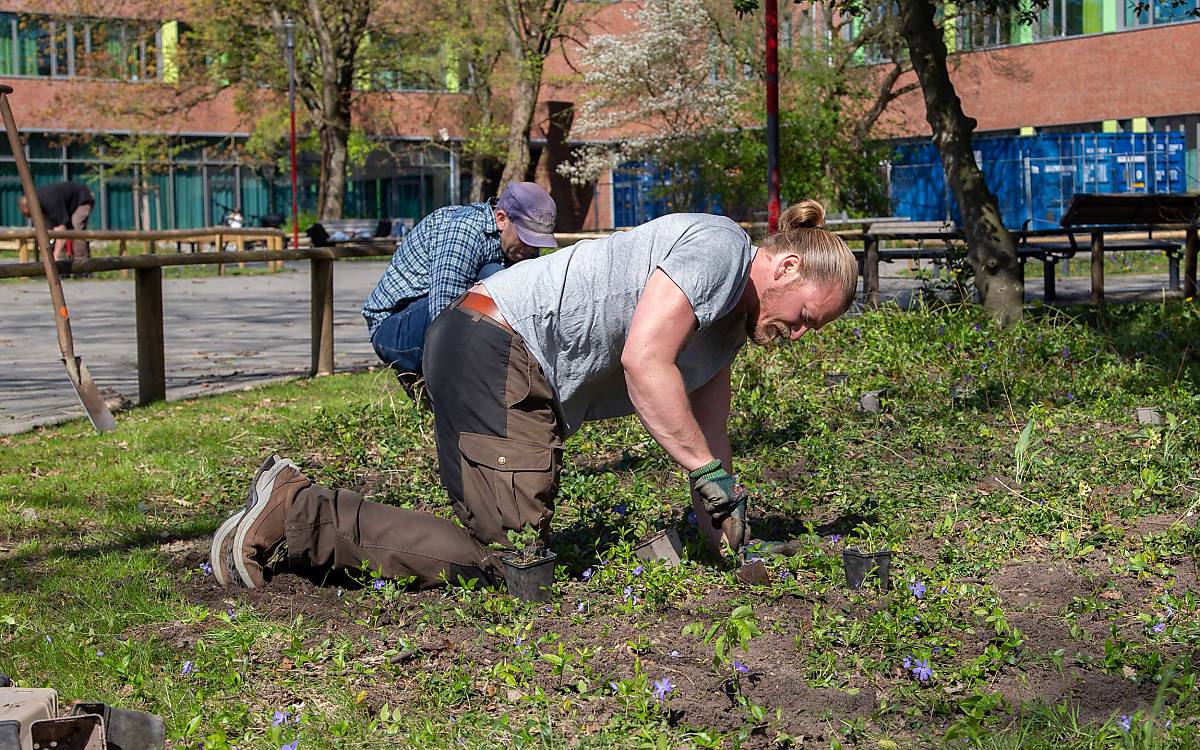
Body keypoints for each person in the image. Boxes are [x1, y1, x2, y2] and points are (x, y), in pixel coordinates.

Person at [208, 200, 858, 591]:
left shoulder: (724, 330)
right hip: (490, 346)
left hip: (514, 369)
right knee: (513, 563)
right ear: (787, 266)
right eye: (804, 316)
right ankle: (299, 515)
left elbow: (707, 439)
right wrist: (706, 475)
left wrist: (727, 526)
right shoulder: (720, 248)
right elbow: (644, 361)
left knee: (520, 563)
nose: (798, 334)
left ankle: (303, 514)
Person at [360, 181, 557, 384]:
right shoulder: (463, 231)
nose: (532, 250)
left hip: (435, 317)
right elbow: (444, 314)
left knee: (499, 283)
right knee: (489, 288)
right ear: (501, 219)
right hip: (393, 328)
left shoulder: (513, 246)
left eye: (537, 244)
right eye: (526, 238)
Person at [18, 181, 95, 263]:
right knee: (52, 231)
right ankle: (66, 264)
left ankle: (82, 266)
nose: (31, 218)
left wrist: (55, 255)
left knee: (76, 229)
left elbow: (60, 232)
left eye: (30, 214)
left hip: (83, 199)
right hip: (67, 203)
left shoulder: (51, 202)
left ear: (33, 207)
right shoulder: (39, 203)